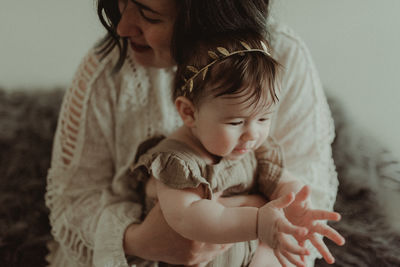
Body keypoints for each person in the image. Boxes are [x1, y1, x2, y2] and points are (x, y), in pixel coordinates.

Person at [45, 0, 342, 266]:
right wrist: (137, 241)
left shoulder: (279, 57)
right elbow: (73, 201)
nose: (121, 27)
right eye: (122, 1)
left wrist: (286, 205)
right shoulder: (175, 161)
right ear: (187, 112)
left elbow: (303, 186)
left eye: (149, 15)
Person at [129, 35, 344, 267]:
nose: (252, 134)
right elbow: (188, 217)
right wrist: (257, 223)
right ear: (189, 113)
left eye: (263, 118)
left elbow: (280, 181)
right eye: (235, 122)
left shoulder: (254, 151)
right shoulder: (176, 163)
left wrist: (294, 204)